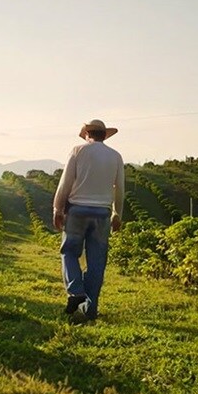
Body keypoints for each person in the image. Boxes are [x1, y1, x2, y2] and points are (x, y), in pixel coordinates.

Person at [53, 119, 125, 324]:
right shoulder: (116, 156)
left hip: (77, 210)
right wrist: (117, 213)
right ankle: (90, 309)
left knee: (69, 252)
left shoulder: (78, 151)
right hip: (102, 214)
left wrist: (58, 209)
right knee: (97, 262)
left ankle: (75, 290)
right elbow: (119, 188)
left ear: (87, 134)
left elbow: (65, 183)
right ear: (104, 135)